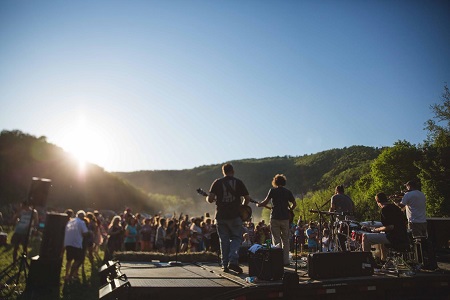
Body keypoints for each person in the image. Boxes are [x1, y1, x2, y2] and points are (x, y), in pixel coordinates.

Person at [205, 163, 252, 274]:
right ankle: (233, 261)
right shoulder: (239, 182)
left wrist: (207, 197)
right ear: (233, 171)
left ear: (223, 172)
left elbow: (211, 199)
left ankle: (224, 264)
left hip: (221, 216)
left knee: (224, 240)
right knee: (236, 238)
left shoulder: (217, 182)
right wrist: (242, 207)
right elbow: (247, 198)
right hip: (235, 216)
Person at [257, 174, 296, 266]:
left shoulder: (272, 191)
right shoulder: (288, 192)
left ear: (275, 181)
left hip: (275, 217)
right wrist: (289, 210)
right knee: (285, 240)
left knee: (276, 239)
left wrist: (259, 205)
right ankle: (286, 261)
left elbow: (265, 202)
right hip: (285, 218)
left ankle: (277, 260)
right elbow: (294, 204)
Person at [361, 193, 408, 261]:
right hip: (403, 236)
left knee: (365, 237)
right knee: (382, 237)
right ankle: (383, 260)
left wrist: (376, 230)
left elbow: (390, 227)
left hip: (394, 238)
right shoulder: (395, 207)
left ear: (378, 201)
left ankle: (366, 262)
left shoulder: (385, 209)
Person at [64, 210, 89, 282]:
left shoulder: (70, 221)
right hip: (76, 244)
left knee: (69, 260)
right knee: (78, 260)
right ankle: (71, 275)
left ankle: (66, 274)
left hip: (68, 243)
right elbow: (85, 233)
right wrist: (89, 233)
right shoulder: (81, 222)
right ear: (82, 216)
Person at [329, 185, 355, 251]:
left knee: (339, 236)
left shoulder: (334, 197)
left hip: (341, 220)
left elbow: (332, 208)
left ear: (336, 190)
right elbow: (353, 207)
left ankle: (341, 250)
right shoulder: (348, 198)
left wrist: (330, 212)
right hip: (351, 220)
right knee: (349, 237)